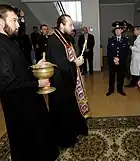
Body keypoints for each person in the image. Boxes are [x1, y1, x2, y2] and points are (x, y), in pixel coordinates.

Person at [0, 4, 59, 161]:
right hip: (19, 104)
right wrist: (38, 84)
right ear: (0, 21)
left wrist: (35, 67)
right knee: (26, 138)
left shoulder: (7, 40)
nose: (18, 24)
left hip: (27, 97)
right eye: (14, 20)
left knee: (39, 131)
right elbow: (7, 82)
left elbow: (18, 68)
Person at [46, 14, 90, 149]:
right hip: (59, 84)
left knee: (70, 109)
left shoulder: (64, 38)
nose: (72, 27)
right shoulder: (54, 40)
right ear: (61, 25)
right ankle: (65, 140)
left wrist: (75, 63)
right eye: (70, 25)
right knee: (62, 112)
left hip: (67, 82)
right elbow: (61, 63)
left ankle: (74, 131)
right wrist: (75, 63)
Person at [106, 21, 129, 96]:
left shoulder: (125, 40)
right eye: (116, 29)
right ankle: (110, 90)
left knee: (120, 77)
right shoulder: (111, 39)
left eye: (119, 29)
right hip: (112, 62)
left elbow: (126, 52)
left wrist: (119, 59)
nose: (117, 31)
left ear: (122, 30)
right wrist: (114, 58)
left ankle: (120, 90)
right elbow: (109, 51)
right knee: (111, 77)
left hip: (121, 62)